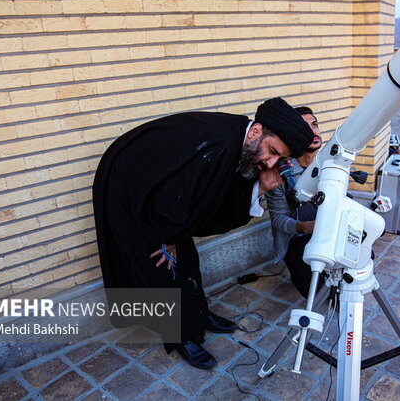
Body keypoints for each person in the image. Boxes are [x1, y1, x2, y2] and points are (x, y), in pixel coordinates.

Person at [92, 97, 313, 369]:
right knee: (161, 264)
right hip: (130, 189)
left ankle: (198, 313)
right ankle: (181, 335)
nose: (270, 163)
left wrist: (262, 189)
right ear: (256, 131)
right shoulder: (218, 146)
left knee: (186, 258)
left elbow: (213, 199)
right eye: (273, 151)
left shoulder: (242, 142)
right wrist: (169, 237)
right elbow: (180, 199)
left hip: (169, 200)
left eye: (279, 158)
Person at [266, 106, 324, 298]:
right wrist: (305, 227)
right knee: (313, 292)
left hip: (328, 232)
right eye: (305, 127)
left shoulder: (331, 164)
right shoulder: (281, 173)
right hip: (297, 238)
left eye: (315, 124)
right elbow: (278, 220)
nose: (313, 131)